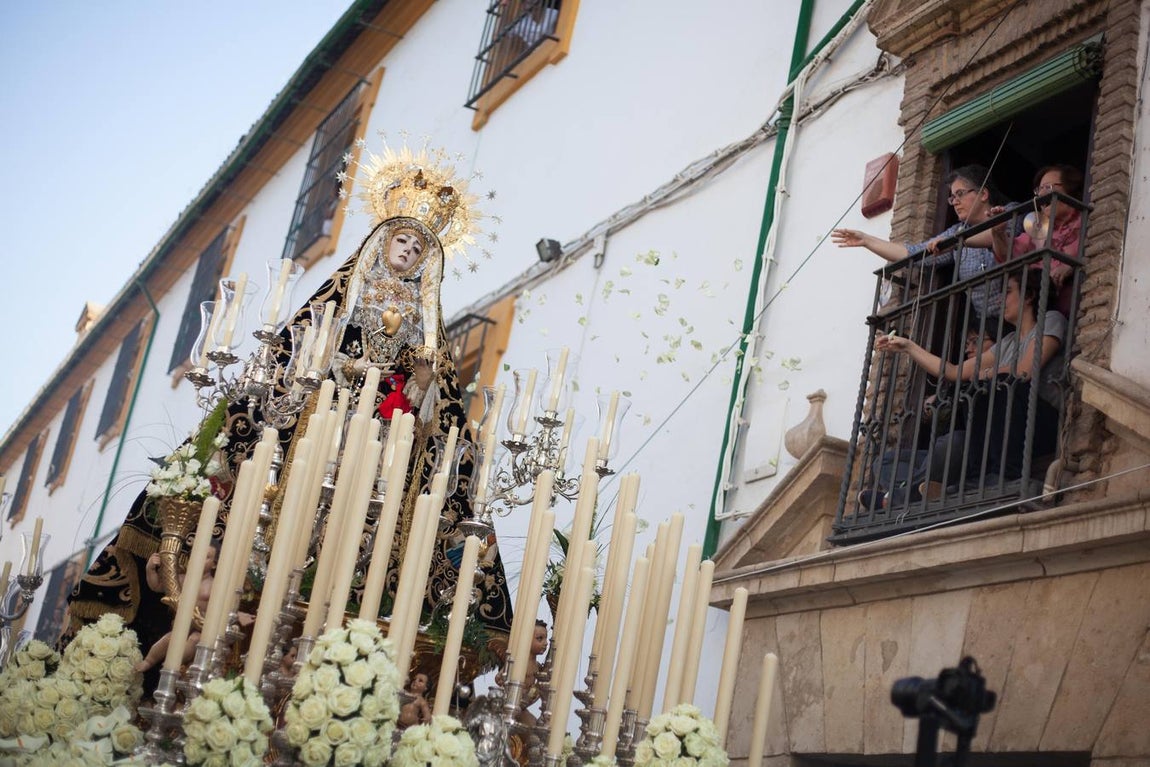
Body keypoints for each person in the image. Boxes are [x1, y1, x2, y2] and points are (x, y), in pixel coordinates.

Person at [66, 145, 513, 675]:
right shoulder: (338, 305)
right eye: (402, 240)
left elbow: (430, 409)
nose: (408, 252)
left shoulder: (423, 326)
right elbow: (288, 370)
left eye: (419, 248)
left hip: (379, 463)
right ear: (381, 242)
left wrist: (419, 385)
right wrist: (326, 375)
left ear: (427, 264)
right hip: (307, 441)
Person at [874, 271, 1065, 496]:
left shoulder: (1051, 320)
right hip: (1002, 432)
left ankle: (1000, 475)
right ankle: (915, 493)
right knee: (885, 461)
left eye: (1008, 292)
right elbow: (953, 371)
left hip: (1037, 422)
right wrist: (908, 347)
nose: (999, 300)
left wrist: (986, 374)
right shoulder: (1008, 343)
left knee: (1001, 384)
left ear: (1029, 295)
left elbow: (1024, 371)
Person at [833, 165, 1006, 323]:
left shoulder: (1009, 212)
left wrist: (956, 242)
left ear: (983, 194)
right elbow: (915, 254)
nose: (955, 202)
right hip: (989, 323)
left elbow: (996, 234)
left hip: (1021, 310)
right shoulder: (957, 231)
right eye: (952, 198)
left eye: (960, 194)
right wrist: (866, 240)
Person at [862, 326, 997, 509]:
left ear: (996, 344)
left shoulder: (999, 374)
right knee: (883, 461)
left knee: (955, 440)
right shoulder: (959, 384)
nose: (968, 349)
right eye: (966, 343)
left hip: (970, 453)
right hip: (938, 458)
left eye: (976, 341)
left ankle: (896, 497)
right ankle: (919, 493)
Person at [991, 164, 1085, 318]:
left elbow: (1096, 251)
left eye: (1047, 187)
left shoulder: (1087, 221)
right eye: (1038, 190)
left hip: (1080, 313)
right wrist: (998, 231)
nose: (1040, 195)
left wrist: (1071, 264)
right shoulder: (1039, 227)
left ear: (1070, 189)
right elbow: (1008, 255)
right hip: (1044, 316)